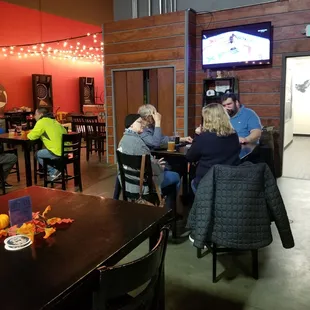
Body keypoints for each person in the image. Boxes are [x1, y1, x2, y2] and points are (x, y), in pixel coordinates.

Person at [118, 114, 180, 210]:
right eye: (139, 122)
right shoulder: (138, 143)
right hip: (143, 188)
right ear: (131, 125)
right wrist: (159, 166)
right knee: (175, 176)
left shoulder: (122, 141)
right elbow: (155, 171)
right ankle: (167, 213)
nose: (143, 124)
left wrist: (154, 162)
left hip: (128, 185)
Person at [186, 103, 241, 193]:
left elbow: (190, 157)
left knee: (193, 182)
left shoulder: (203, 138)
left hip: (207, 185)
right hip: (230, 183)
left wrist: (197, 135)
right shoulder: (234, 135)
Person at [27, 107, 67, 181]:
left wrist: (28, 134)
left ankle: (54, 172)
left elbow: (31, 136)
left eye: (35, 114)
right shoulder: (55, 121)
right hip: (66, 151)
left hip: (57, 152)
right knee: (45, 151)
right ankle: (59, 171)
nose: (34, 116)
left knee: (38, 154)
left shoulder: (41, 122)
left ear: (41, 114)